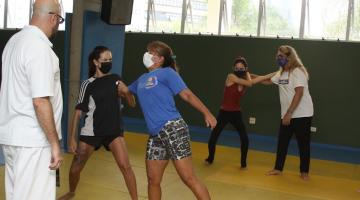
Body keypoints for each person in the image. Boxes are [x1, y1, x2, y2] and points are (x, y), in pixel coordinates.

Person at [128, 41, 217, 200]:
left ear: (160, 59)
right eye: (148, 51)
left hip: (173, 128)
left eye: (152, 52)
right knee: (153, 180)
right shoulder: (141, 78)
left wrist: (207, 113)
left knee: (188, 178)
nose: (147, 54)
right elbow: (125, 90)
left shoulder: (167, 73)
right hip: (155, 135)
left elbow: (187, 95)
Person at [0, 0, 64, 199]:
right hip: (34, 141)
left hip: (13, 137)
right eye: (59, 20)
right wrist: (54, 143)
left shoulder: (14, 42)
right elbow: (40, 100)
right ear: (53, 18)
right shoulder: (39, 47)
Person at [57, 46, 138, 200]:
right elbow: (78, 112)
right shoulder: (87, 84)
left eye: (110, 60)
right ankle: (71, 192)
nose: (108, 62)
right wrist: (72, 138)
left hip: (113, 130)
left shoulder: (115, 79)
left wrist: (127, 92)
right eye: (105, 60)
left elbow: (132, 103)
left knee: (126, 167)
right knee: (75, 168)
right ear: (96, 62)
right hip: (91, 132)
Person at [205, 56, 275, 168]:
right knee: (214, 135)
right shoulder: (231, 76)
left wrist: (278, 75)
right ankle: (210, 158)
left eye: (241, 68)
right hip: (224, 112)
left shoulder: (247, 77)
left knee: (244, 138)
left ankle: (243, 163)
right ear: (233, 68)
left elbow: (265, 81)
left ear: (245, 68)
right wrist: (249, 74)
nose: (239, 70)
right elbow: (250, 84)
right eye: (237, 67)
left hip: (236, 113)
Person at [262, 45, 314, 180]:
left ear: (289, 57)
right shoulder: (281, 73)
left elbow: (299, 92)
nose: (278, 58)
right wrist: (249, 77)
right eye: (277, 56)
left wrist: (289, 113)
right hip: (286, 114)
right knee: (283, 141)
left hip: (301, 114)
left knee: (303, 143)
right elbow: (267, 80)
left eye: (281, 56)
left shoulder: (298, 72)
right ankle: (278, 168)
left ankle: (304, 172)